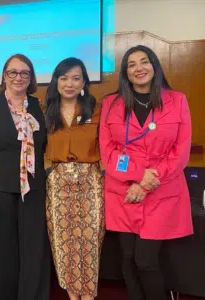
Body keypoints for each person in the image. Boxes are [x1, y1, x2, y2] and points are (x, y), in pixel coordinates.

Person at [99, 45, 193, 300]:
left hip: (161, 190)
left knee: (145, 260)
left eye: (144, 62)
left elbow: (181, 151)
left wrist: (146, 183)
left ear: (154, 66)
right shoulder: (111, 103)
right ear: (125, 72)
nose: (138, 68)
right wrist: (138, 176)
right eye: (131, 64)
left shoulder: (177, 100)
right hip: (123, 191)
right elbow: (108, 152)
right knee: (128, 258)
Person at [0, 54, 50, 300]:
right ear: (4, 76)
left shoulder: (40, 107)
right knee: (4, 255)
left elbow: (47, 148)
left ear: (31, 78)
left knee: (33, 251)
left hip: (34, 190)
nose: (19, 77)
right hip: (2, 192)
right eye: (13, 72)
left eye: (24, 73)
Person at [44, 57, 104, 300]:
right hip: (58, 185)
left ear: (84, 82)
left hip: (90, 184)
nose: (69, 83)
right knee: (64, 244)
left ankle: (88, 297)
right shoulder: (44, 110)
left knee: (89, 243)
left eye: (76, 78)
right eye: (64, 77)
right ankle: (72, 296)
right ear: (56, 81)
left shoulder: (96, 108)